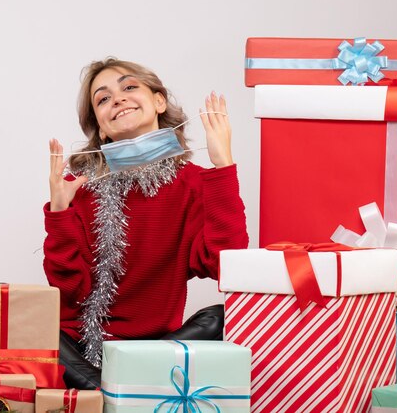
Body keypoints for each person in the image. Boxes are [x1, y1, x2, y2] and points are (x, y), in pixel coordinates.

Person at [43, 58, 248, 389]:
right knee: (34, 326)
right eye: (103, 98)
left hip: (154, 348)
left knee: (224, 318)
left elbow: (225, 262)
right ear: (100, 126)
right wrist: (59, 213)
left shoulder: (192, 182)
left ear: (158, 101)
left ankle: (109, 391)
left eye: (128, 87)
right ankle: (114, 391)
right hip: (80, 351)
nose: (118, 99)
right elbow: (69, 292)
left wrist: (223, 164)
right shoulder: (77, 187)